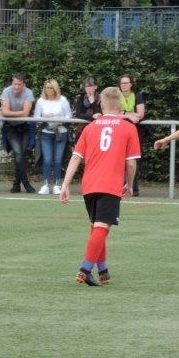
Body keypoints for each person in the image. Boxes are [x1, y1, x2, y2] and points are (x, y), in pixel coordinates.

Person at [59, 86, 140, 286]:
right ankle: (85, 269)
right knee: (102, 227)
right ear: (121, 104)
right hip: (110, 184)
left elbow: (76, 157)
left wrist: (66, 184)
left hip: (89, 184)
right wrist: (129, 184)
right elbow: (131, 163)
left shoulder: (90, 127)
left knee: (97, 227)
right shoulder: (129, 128)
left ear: (101, 103)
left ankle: (103, 269)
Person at [33, 79, 73, 195]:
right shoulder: (41, 101)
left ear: (55, 89)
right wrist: (45, 119)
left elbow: (69, 116)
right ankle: (45, 184)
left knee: (58, 159)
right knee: (47, 159)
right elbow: (36, 117)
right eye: (47, 88)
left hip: (61, 132)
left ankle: (57, 184)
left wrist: (60, 121)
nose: (48, 90)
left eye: (51, 88)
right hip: (46, 132)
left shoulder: (63, 100)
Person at [0, 73, 36, 193]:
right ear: (12, 83)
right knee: (18, 154)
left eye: (19, 84)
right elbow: (4, 112)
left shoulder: (28, 93)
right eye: (15, 84)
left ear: (23, 85)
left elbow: (26, 113)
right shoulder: (6, 91)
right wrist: (18, 113)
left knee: (20, 155)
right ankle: (26, 183)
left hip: (25, 127)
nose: (16, 87)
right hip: (10, 128)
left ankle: (16, 184)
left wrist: (10, 113)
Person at [117, 74, 147, 196]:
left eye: (126, 83)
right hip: (119, 129)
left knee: (133, 159)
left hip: (134, 130)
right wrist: (129, 115)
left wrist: (123, 113)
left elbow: (140, 114)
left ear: (131, 84)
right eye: (122, 83)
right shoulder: (116, 95)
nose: (124, 85)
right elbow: (113, 113)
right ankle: (119, 186)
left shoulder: (137, 95)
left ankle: (133, 188)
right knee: (119, 158)